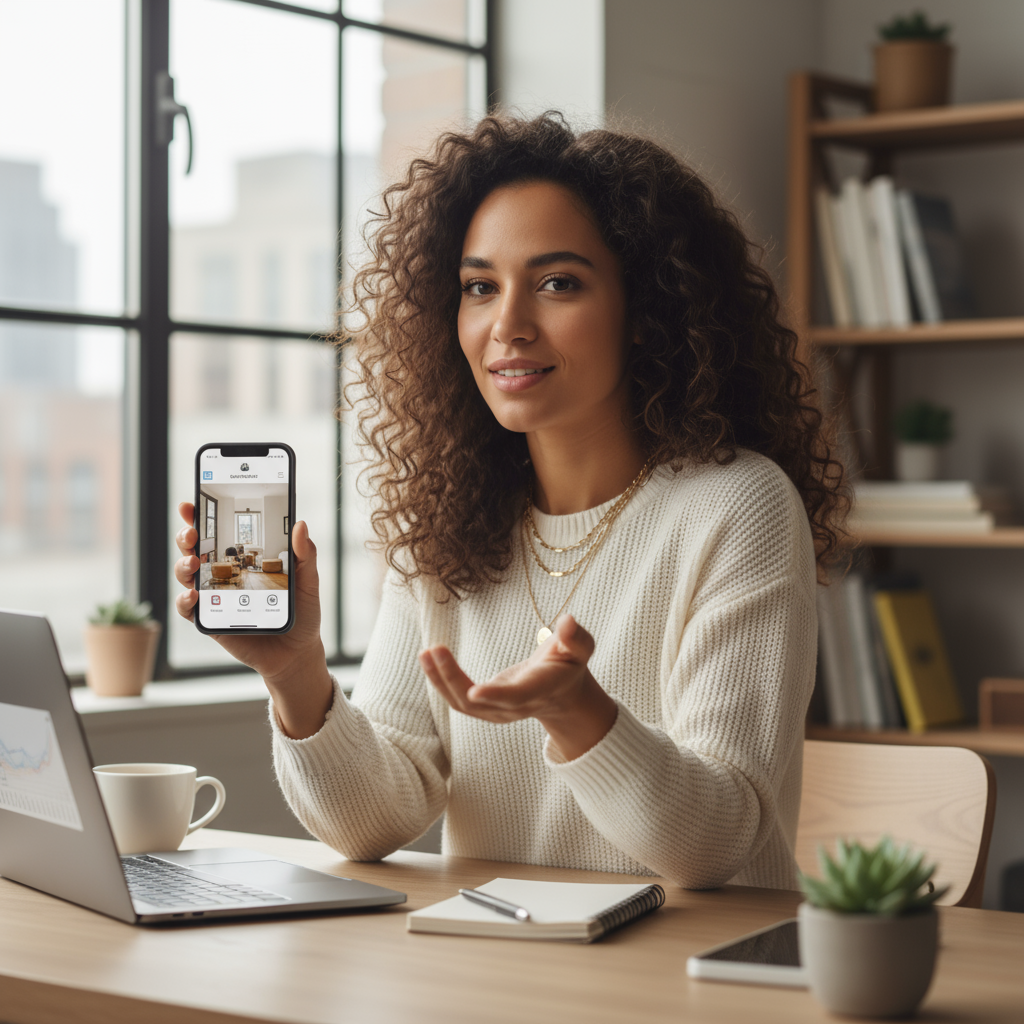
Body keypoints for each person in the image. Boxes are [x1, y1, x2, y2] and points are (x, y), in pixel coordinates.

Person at [173, 113, 846, 890]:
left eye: (558, 283)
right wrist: (296, 672)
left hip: (701, 961)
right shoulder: (449, 521)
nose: (508, 325)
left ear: (645, 309)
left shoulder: (739, 507)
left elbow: (716, 845)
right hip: (500, 954)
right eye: (480, 288)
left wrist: (580, 713)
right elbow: (371, 823)